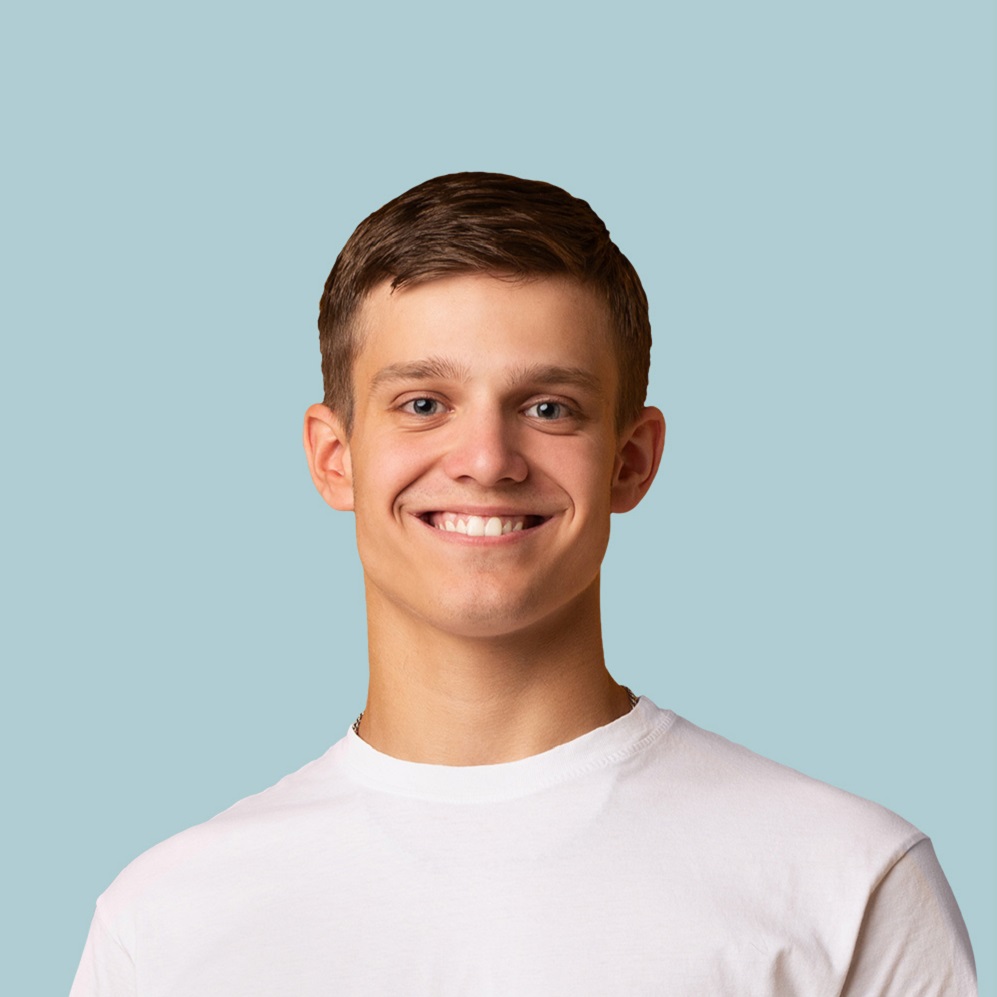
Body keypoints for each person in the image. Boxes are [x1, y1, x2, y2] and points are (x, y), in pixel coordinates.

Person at [71, 173, 977, 995]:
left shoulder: (844, 878)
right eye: (423, 403)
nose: (486, 460)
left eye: (548, 407)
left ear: (631, 461)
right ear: (334, 456)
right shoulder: (167, 920)